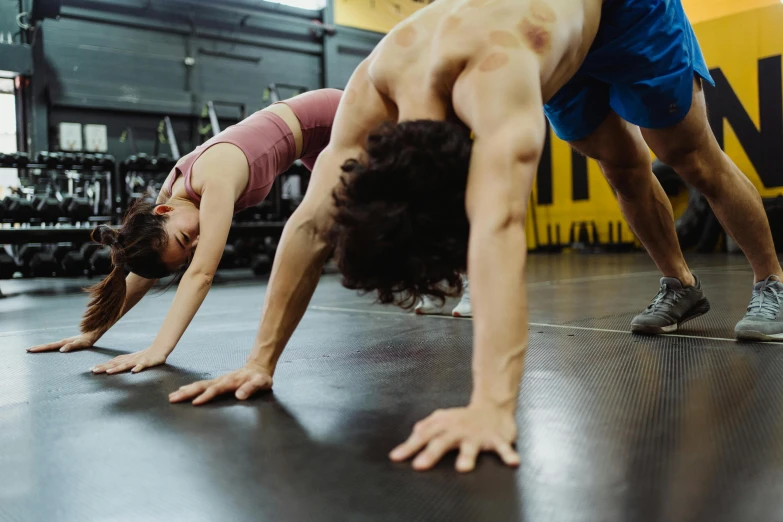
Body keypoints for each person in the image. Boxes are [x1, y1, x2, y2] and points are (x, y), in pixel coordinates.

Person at [166, 0, 783, 474]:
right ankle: (681, 285)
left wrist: (492, 404)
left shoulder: (501, 79)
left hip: (623, 14)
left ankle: (773, 282)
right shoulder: (373, 85)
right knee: (620, 165)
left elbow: (498, 227)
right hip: (545, 23)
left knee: (688, 154)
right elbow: (309, 222)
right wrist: (259, 362)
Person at [26, 88, 342, 374]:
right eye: (190, 248)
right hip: (315, 144)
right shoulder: (171, 201)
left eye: (185, 239)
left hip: (332, 117)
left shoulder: (214, 178)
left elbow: (201, 274)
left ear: (164, 212)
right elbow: (142, 272)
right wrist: (93, 332)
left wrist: (158, 349)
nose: (197, 242)